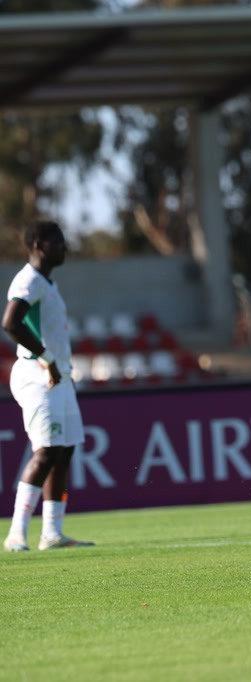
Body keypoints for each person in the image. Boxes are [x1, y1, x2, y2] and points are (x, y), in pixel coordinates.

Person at [3, 220, 93, 552]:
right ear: (39, 244)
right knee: (46, 452)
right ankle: (15, 534)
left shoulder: (47, 283)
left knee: (64, 451)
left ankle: (52, 533)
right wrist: (46, 358)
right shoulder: (28, 281)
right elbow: (10, 322)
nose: (65, 247)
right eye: (58, 241)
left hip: (59, 376)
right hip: (39, 375)